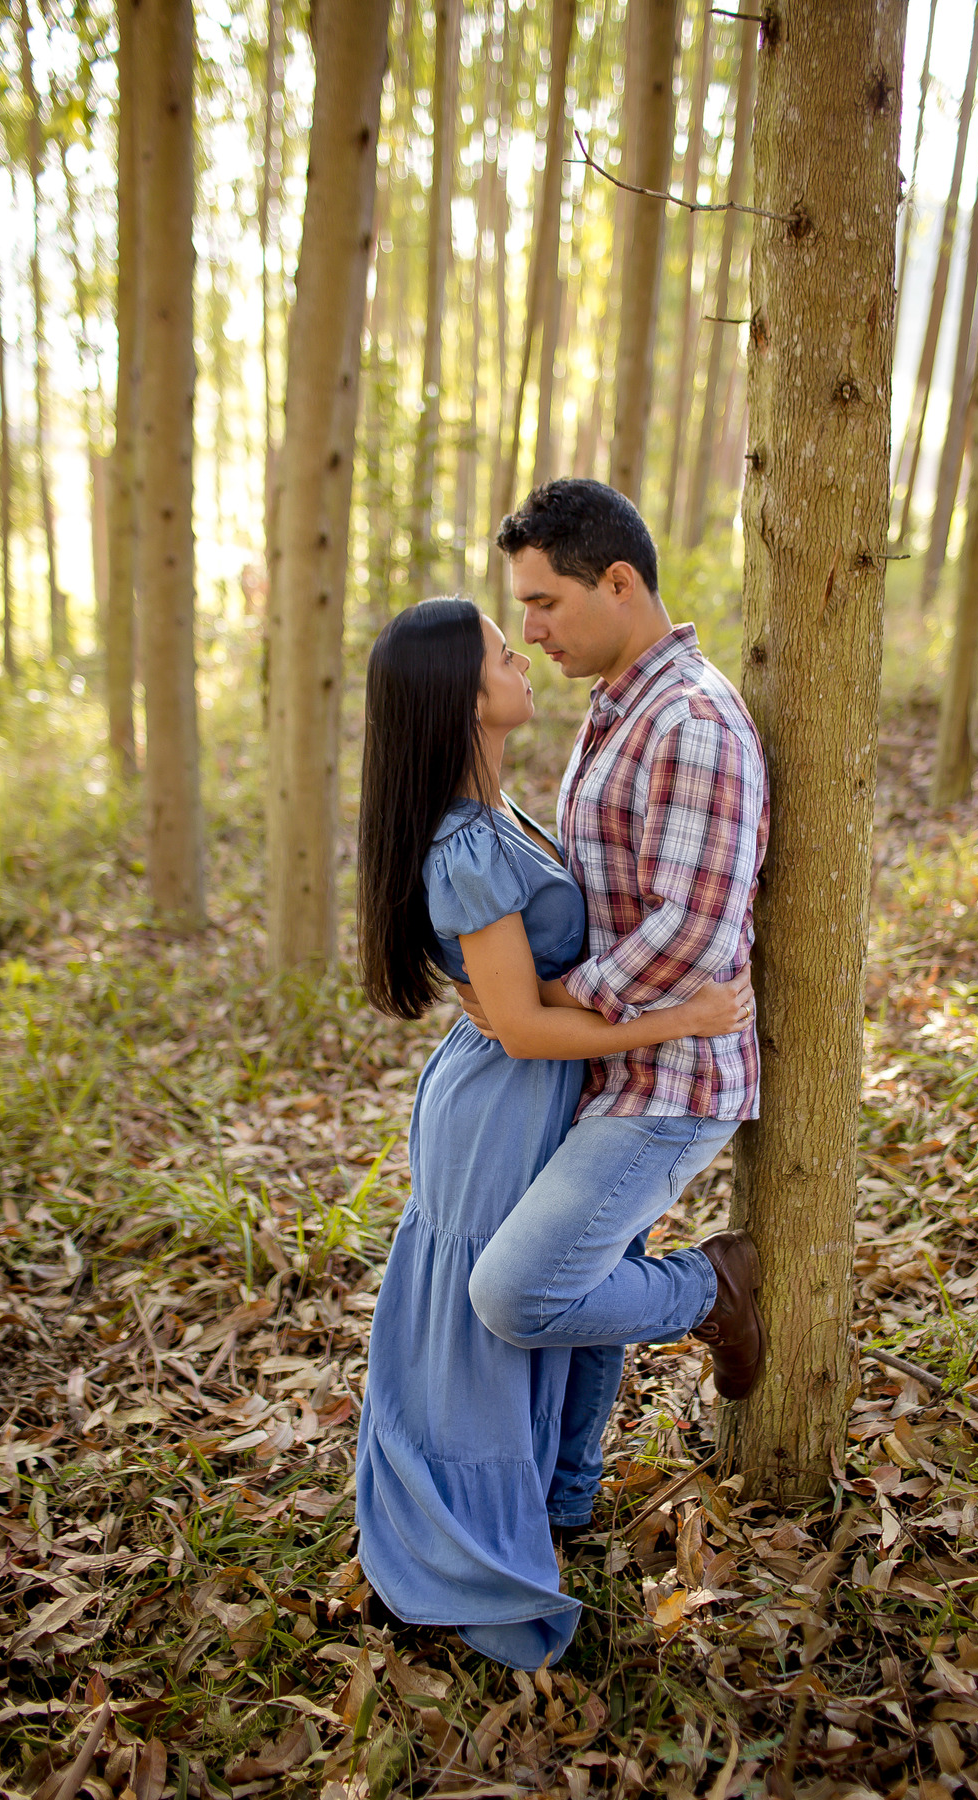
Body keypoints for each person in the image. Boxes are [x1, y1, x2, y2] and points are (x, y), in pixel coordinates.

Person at [353, 596, 752, 1670]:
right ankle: (467, 1546)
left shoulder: (498, 814)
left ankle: (548, 1504)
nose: (522, 655)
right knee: (495, 1319)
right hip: (501, 1101)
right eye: (500, 651)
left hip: (524, 1089)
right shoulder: (466, 845)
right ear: (460, 697)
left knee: (556, 1287)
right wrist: (683, 1018)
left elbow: (532, 999)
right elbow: (524, 1027)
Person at [459, 477, 770, 1547]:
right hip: (616, 1064)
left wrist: (549, 998)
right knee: (587, 1282)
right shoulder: (620, 704)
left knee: (518, 1293)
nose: (533, 629)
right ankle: (566, 1503)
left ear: (621, 581)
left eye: (545, 603)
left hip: (673, 1083)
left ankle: (711, 1290)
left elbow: (693, 932)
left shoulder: (691, 719)